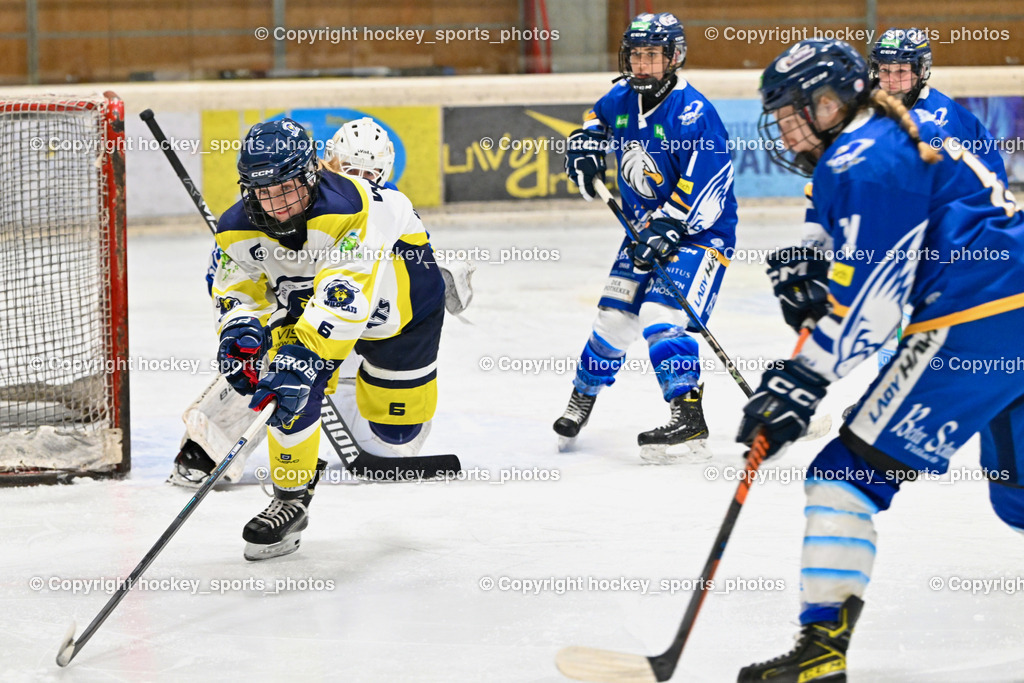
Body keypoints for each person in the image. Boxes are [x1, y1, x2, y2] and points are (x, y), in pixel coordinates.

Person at [736, 39, 1024, 682]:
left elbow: (874, 308)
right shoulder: (892, 133)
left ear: (830, 102)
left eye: (791, 114)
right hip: (1011, 299)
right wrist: (816, 259)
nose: (783, 130)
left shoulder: (863, 158)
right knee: (1018, 500)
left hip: (979, 322)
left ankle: (820, 654)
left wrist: (800, 382)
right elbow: (875, 237)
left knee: (844, 475)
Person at [168, 117, 472, 489]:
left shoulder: (375, 207)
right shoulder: (282, 202)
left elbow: (411, 275)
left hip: (367, 329)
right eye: (350, 169)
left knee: (396, 441)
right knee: (263, 355)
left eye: (371, 172)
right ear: (326, 163)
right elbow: (233, 286)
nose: (361, 178)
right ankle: (210, 442)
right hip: (305, 322)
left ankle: (347, 408)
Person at [210, 118, 446, 560]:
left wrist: (306, 356)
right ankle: (290, 499)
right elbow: (233, 288)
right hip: (310, 299)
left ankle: (361, 375)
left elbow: (347, 297)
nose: (278, 205)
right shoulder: (235, 227)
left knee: (397, 434)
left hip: (399, 310)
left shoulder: (355, 207)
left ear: (311, 175)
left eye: (288, 190)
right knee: (286, 389)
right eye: (265, 192)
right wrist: (240, 333)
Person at [553, 11, 738, 463]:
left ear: (673, 58)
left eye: (652, 56)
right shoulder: (621, 97)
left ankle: (688, 415)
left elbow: (711, 186)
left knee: (659, 315)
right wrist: (585, 147)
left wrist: (670, 224)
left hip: (701, 236)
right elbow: (595, 119)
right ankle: (583, 396)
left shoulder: (696, 113)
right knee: (613, 322)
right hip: (643, 231)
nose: (642, 65)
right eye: (636, 55)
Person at [772, 27, 1008, 376]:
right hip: (910, 226)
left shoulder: (943, 118)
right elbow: (832, 181)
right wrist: (815, 247)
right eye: (885, 70)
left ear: (920, 70)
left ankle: (904, 385)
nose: (892, 80)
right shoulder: (867, 112)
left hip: (957, 235)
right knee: (889, 304)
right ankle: (891, 382)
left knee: (910, 309)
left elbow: (965, 187)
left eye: (901, 71)